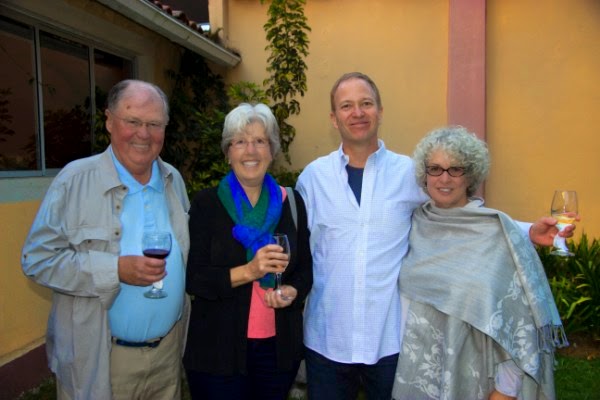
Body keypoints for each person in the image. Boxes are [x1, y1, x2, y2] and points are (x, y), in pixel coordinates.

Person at [295, 72, 573, 400]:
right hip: (327, 340)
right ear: (334, 118)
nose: (357, 113)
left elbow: (463, 214)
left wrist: (527, 231)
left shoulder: (409, 173)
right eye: (347, 106)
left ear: (380, 111)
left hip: (389, 345)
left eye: (366, 103)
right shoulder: (312, 179)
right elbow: (295, 244)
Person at [21, 79, 190, 400]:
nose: (143, 134)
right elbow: (38, 260)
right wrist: (114, 270)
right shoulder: (75, 180)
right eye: (133, 121)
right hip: (102, 360)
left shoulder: (173, 179)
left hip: (167, 356)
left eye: (154, 124)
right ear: (110, 121)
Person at [392, 126, 567, 400]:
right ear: (424, 175)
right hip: (414, 371)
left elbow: (519, 319)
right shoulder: (415, 223)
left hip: (477, 379)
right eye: (435, 169)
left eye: (455, 169)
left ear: (471, 175)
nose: (444, 178)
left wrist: (505, 391)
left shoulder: (495, 232)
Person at [183, 103, 313, 400]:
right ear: (228, 152)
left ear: (272, 150)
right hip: (217, 352)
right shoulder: (206, 204)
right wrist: (250, 271)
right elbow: (195, 278)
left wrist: (292, 291)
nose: (250, 151)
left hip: (278, 351)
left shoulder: (292, 203)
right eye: (240, 141)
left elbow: (306, 269)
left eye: (260, 141)